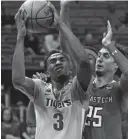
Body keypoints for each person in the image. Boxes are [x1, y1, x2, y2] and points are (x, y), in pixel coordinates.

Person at [12, 2, 92, 139]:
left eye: (62, 59)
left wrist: (60, 23)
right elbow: (18, 80)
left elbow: (84, 62)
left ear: (70, 67)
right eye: (53, 61)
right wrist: (20, 37)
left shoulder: (78, 88)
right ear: (47, 71)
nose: (58, 62)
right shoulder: (39, 87)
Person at [83, 21, 128, 139]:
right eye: (99, 55)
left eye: (106, 56)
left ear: (116, 65)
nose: (99, 59)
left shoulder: (120, 88)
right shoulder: (83, 85)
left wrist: (108, 44)